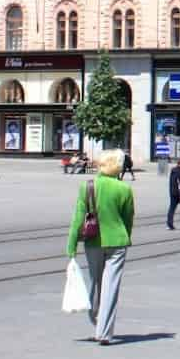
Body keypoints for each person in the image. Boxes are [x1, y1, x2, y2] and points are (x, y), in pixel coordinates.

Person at [64, 148, 134, 345]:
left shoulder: (86, 186)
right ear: (118, 166)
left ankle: (96, 319)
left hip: (93, 241)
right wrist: (125, 236)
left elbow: (78, 217)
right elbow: (128, 219)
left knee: (95, 281)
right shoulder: (124, 189)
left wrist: (71, 246)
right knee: (111, 286)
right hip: (117, 242)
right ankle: (104, 331)